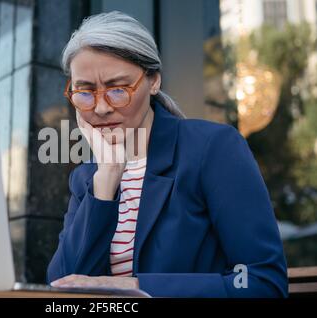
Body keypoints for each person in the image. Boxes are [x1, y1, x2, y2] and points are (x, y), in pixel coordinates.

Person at [46, 11, 288, 297]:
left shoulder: (212, 148)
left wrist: (138, 286)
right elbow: (62, 289)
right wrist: (108, 176)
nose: (100, 108)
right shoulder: (88, 177)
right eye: (84, 92)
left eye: (118, 89)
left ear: (154, 81)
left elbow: (263, 282)